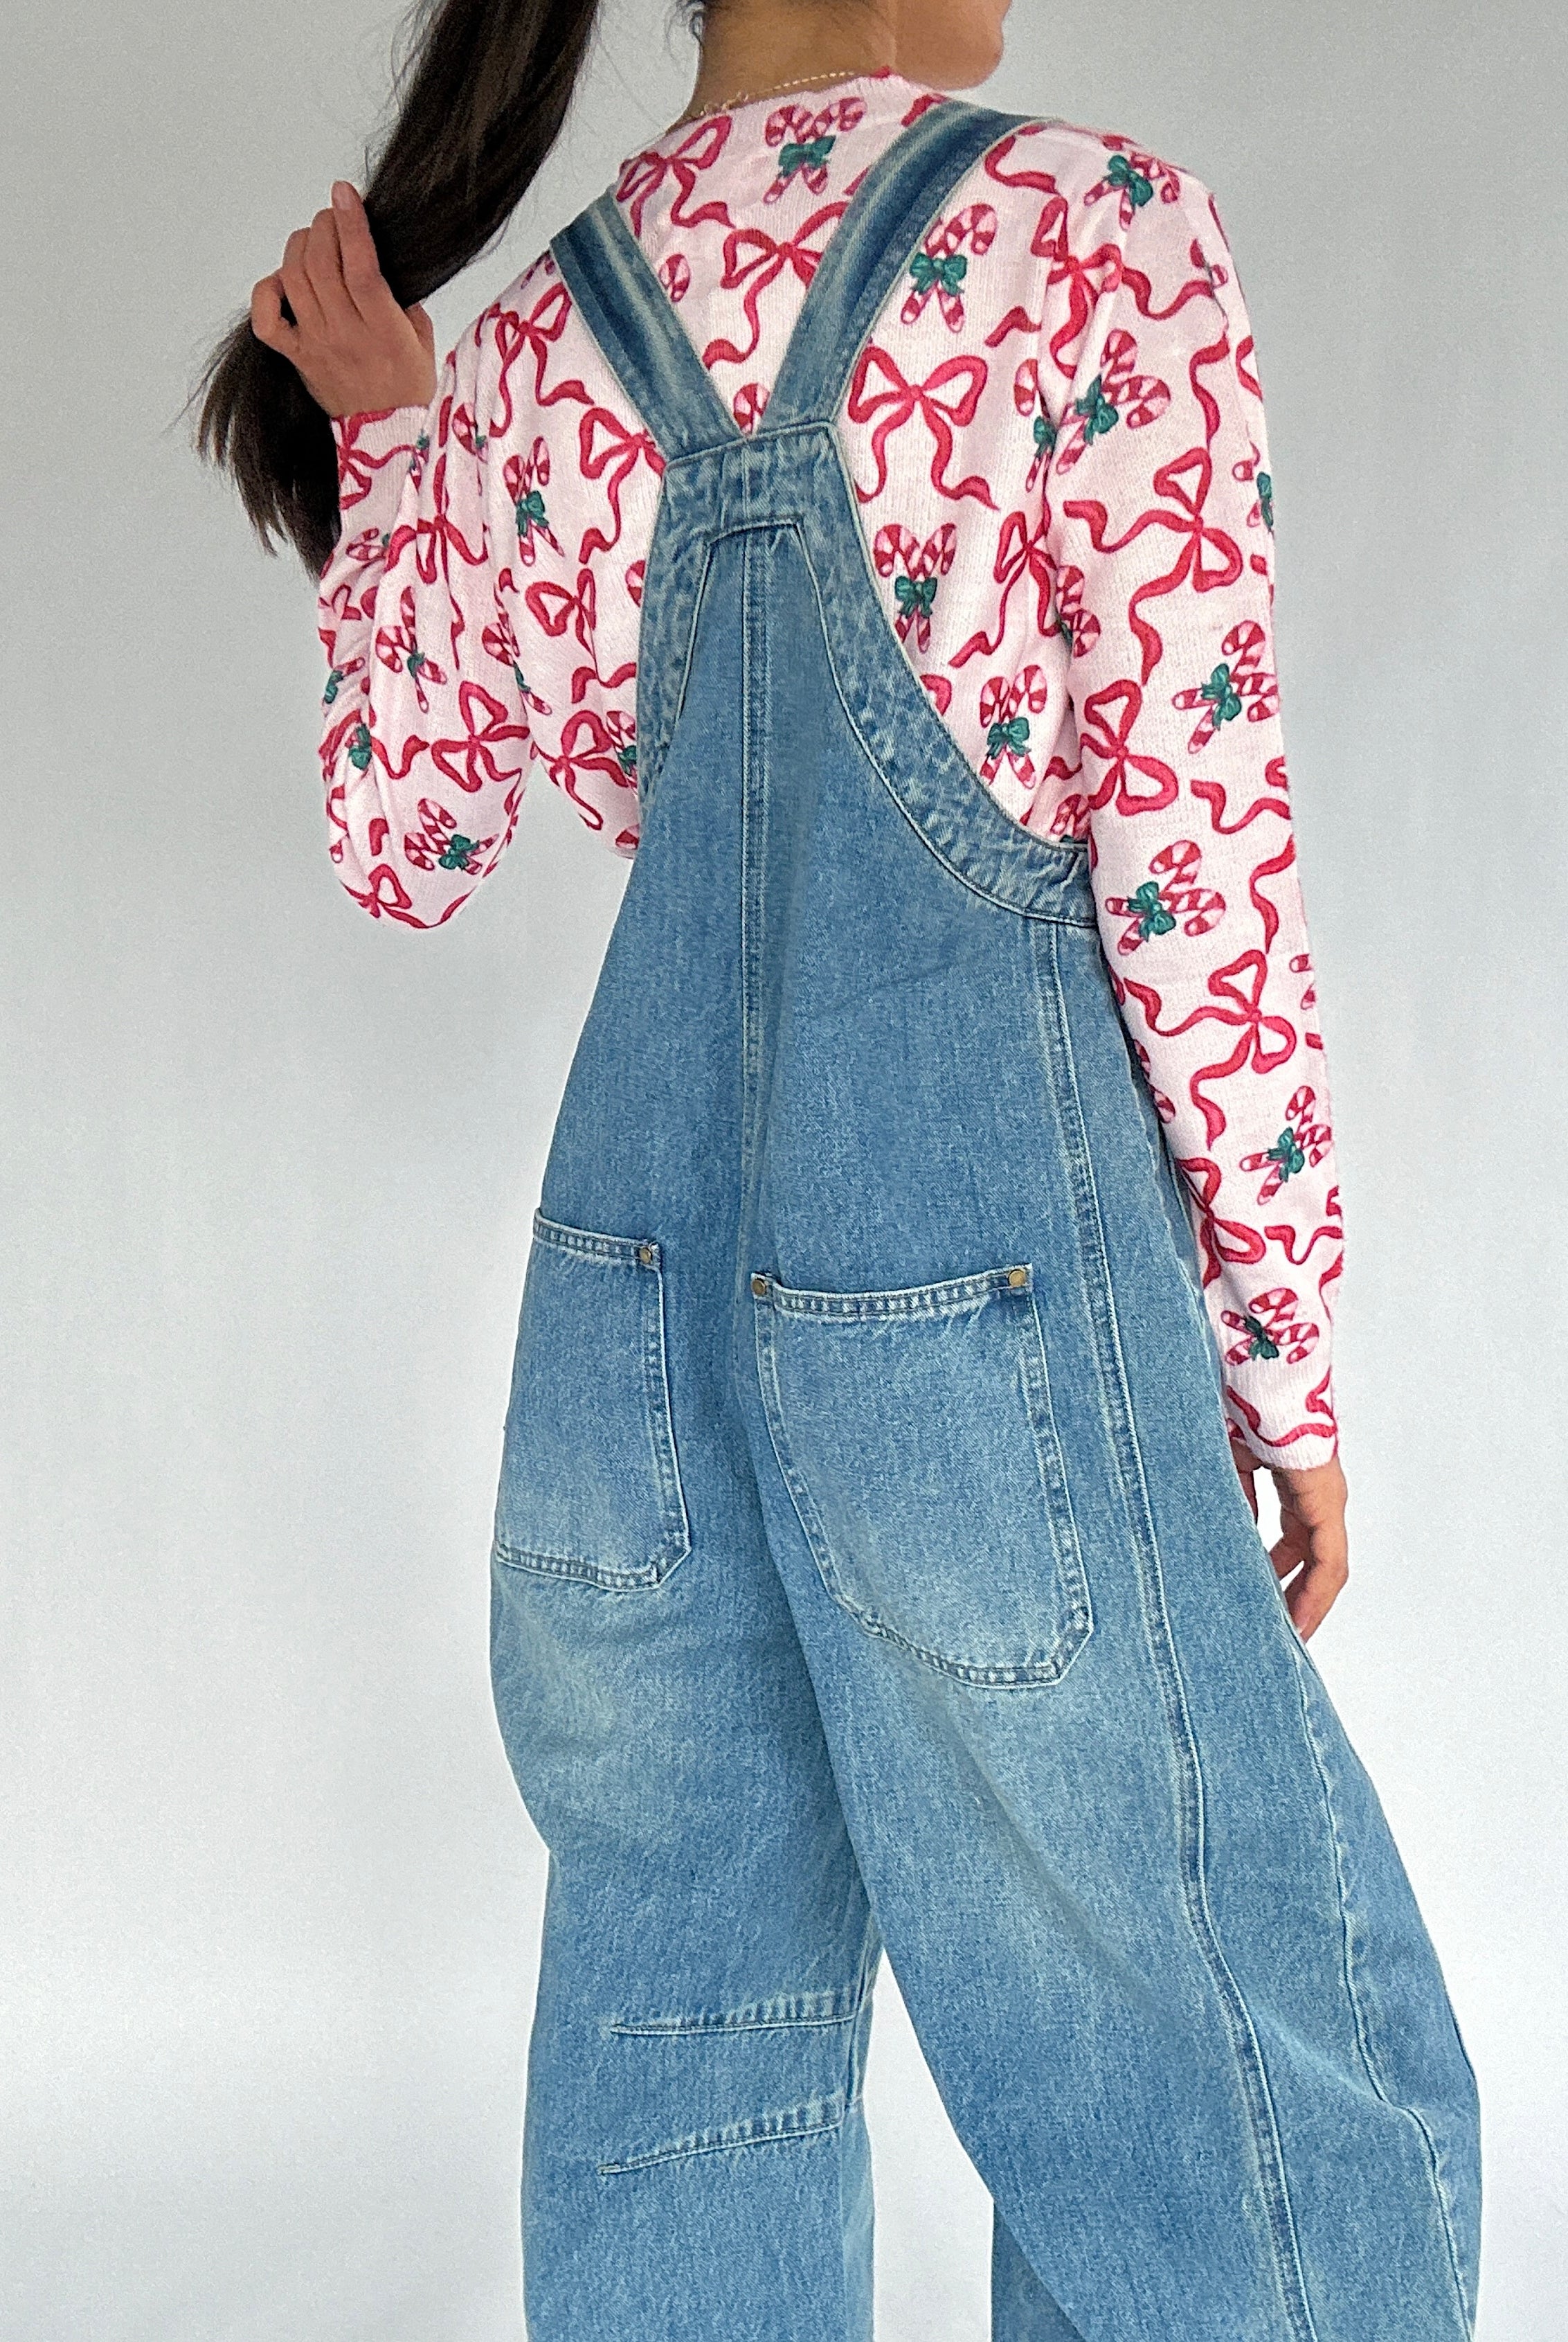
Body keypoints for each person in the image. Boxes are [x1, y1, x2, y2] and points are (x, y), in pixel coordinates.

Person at [196, 0, 1482, 2333]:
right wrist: (1283, 1368)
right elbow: (1203, 871)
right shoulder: (1091, 241)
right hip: (972, 1340)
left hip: (630, 1334)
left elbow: (404, 843)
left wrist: (410, 456)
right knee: (1219, 2076)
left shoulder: (539, 345)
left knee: (683, 2047)